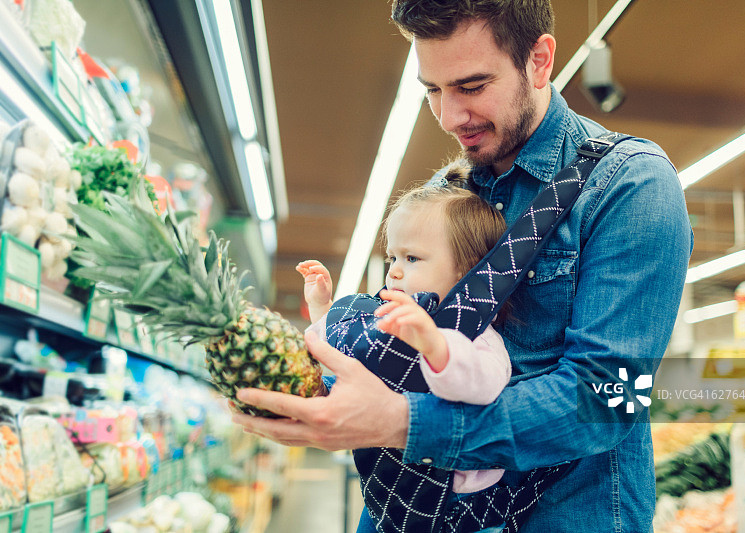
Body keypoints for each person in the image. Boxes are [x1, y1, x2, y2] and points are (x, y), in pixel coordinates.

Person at [230, 1, 693, 531]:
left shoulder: (631, 186)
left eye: (471, 87)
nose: (450, 117)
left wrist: (403, 423)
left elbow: (611, 396)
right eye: (432, 90)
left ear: (539, 61)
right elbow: (387, 361)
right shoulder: (439, 199)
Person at [296, 180, 515, 497]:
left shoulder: (472, 333)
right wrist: (322, 309)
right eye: (392, 258)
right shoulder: (389, 316)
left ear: (468, 271)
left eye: (411, 258)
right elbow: (343, 351)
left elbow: (484, 386)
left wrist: (435, 346)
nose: (394, 272)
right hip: (389, 488)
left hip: (455, 504)